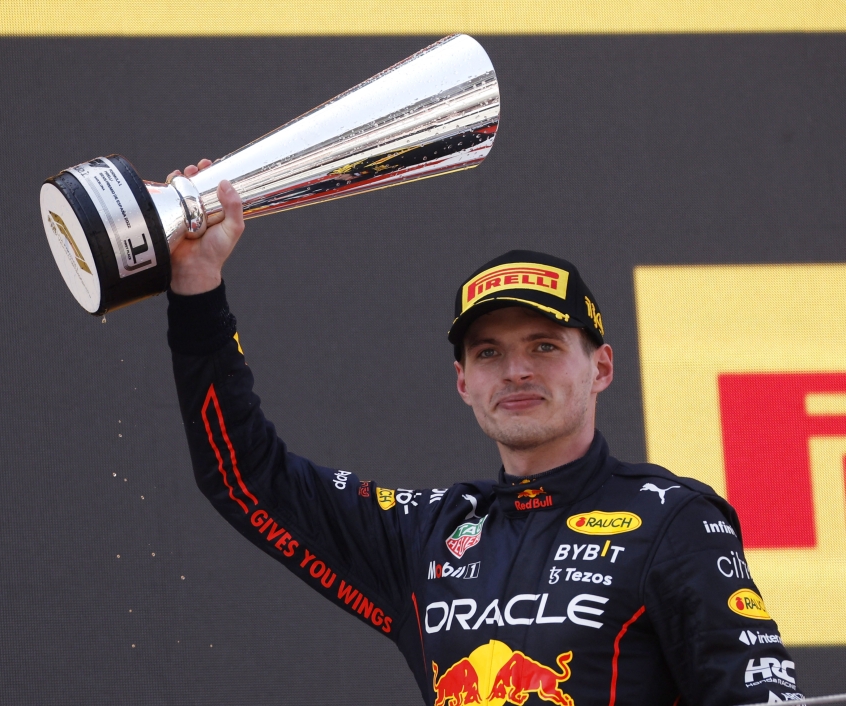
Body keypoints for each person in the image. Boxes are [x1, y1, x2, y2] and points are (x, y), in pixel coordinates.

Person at [165, 161, 802, 705]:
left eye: (545, 345)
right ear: (463, 382)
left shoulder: (674, 521)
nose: (517, 370)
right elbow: (243, 473)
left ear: (601, 368)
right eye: (489, 353)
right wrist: (198, 286)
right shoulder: (423, 533)